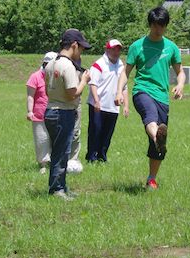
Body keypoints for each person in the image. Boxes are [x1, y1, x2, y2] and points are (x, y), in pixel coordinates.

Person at [116, 7, 186, 190]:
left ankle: (151, 178)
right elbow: (125, 72)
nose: (158, 29)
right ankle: (157, 136)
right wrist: (118, 91)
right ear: (150, 25)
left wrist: (180, 85)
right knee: (150, 116)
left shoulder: (171, 47)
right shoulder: (137, 46)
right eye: (155, 25)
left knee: (156, 146)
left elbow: (180, 72)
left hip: (162, 96)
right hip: (142, 91)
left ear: (166, 26)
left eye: (162, 26)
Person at [44, 29, 91, 200]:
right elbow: (73, 93)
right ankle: (57, 189)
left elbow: (47, 90)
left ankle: (61, 186)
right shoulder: (68, 66)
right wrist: (84, 81)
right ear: (74, 45)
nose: (81, 52)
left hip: (50, 110)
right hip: (63, 113)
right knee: (61, 153)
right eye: (81, 48)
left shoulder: (50, 64)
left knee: (59, 151)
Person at [86, 39, 129, 163]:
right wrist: (96, 101)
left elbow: (124, 86)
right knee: (95, 131)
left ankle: (102, 157)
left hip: (113, 106)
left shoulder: (121, 66)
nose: (116, 52)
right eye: (113, 49)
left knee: (107, 134)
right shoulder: (99, 64)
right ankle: (91, 157)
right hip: (98, 105)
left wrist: (126, 105)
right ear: (107, 50)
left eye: (118, 50)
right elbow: (93, 84)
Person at [26, 51, 57, 174]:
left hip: (55, 113)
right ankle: (43, 164)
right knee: (42, 140)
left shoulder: (57, 76)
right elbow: (30, 96)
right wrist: (30, 111)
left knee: (55, 139)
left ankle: (54, 162)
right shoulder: (35, 77)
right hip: (39, 115)